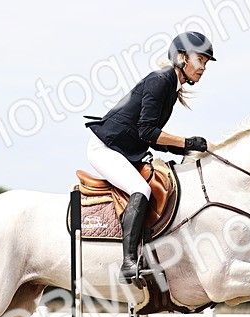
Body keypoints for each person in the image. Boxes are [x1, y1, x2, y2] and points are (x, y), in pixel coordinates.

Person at [85, 31, 216, 283]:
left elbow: (152, 138)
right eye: (200, 60)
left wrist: (187, 149)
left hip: (124, 149)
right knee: (140, 189)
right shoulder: (160, 80)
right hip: (105, 148)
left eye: (206, 63)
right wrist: (186, 142)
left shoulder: (171, 86)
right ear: (181, 58)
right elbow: (148, 132)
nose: (203, 68)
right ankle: (129, 262)